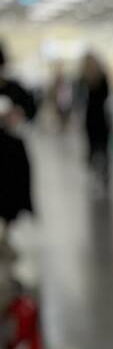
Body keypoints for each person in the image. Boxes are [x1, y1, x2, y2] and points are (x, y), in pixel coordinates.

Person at [0, 42, 37, 252]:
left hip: (10, 150)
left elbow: (31, 110)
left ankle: (6, 232)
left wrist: (18, 115)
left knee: (10, 194)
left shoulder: (15, 88)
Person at [80, 52, 112, 188]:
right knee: (101, 148)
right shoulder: (99, 77)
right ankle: (103, 175)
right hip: (100, 116)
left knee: (94, 147)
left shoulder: (85, 78)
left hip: (93, 117)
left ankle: (97, 175)